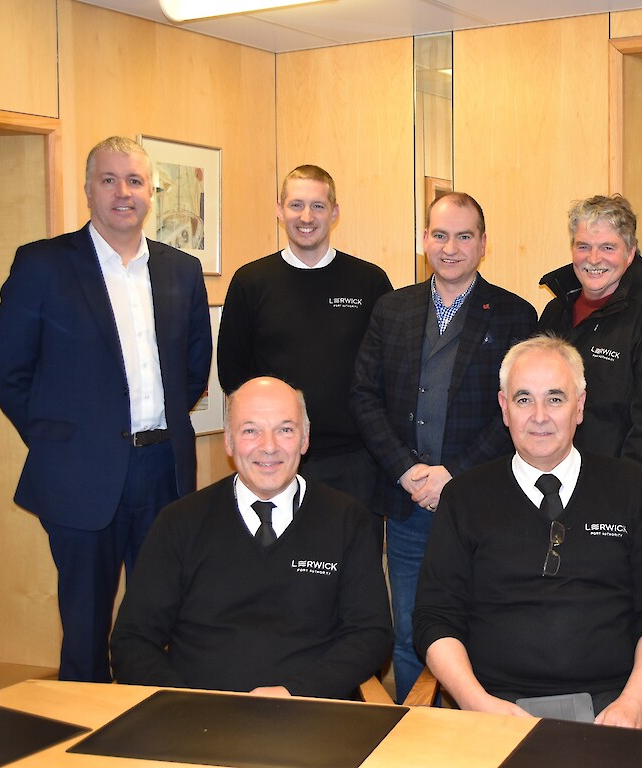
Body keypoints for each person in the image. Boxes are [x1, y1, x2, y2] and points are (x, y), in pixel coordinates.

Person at [0, 136, 211, 683]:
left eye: (134, 181)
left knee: (162, 617)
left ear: (150, 193)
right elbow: (6, 370)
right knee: (84, 626)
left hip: (163, 469)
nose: (122, 192)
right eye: (108, 180)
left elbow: (193, 369)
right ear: (88, 189)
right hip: (79, 475)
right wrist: (58, 439)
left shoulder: (181, 269)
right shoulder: (43, 265)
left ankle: (156, 726)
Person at [414, 335, 642, 727]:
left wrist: (635, 703)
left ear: (580, 406)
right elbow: (434, 617)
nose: (539, 415)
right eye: (524, 399)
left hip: (610, 707)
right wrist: (476, 702)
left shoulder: (629, 488)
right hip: (494, 706)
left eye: (555, 398)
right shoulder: (464, 497)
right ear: (504, 409)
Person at [350, 191, 537, 701]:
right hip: (407, 506)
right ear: (423, 240)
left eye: (463, 236)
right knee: (412, 634)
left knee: (481, 632)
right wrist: (406, 471)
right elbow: (364, 396)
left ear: (483, 244)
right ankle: (421, 734)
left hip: (481, 504)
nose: (450, 247)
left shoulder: (514, 315)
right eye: (439, 235)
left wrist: (452, 474)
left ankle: (480, 733)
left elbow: (518, 412)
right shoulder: (393, 310)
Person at [110, 377, 391, 698]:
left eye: (285, 429)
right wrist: (184, 703)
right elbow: (132, 640)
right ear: (228, 442)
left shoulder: (346, 518)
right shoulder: (180, 523)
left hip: (312, 713)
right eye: (250, 430)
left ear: (305, 439)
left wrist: (296, 692)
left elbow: (371, 634)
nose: (269, 446)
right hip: (198, 719)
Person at [218, 165, 392, 514]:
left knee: (354, 564)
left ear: (335, 212)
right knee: (275, 565)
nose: (306, 216)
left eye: (318, 205)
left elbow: (389, 370)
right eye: (296, 205)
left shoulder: (368, 281)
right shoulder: (251, 282)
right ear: (279, 210)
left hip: (355, 460)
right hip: (275, 460)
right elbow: (233, 373)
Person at [537, 194, 642, 484]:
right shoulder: (556, 312)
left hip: (609, 489)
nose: (594, 259)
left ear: (630, 254)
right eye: (584, 247)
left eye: (608, 247)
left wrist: (623, 496)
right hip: (547, 481)